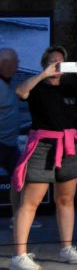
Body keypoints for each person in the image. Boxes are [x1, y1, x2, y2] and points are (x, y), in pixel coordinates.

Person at [9, 46, 77, 270]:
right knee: (31, 201)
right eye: (53, 62)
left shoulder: (70, 86)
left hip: (68, 145)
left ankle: (66, 248)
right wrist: (44, 75)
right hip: (43, 146)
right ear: (45, 64)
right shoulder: (36, 85)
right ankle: (19, 255)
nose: (57, 65)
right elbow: (20, 92)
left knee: (66, 199)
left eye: (61, 62)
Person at [0, 48, 22, 221]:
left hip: (9, 144)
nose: (18, 66)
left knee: (19, 177)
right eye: (15, 62)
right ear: (4, 64)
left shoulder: (11, 82)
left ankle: (19, 217)